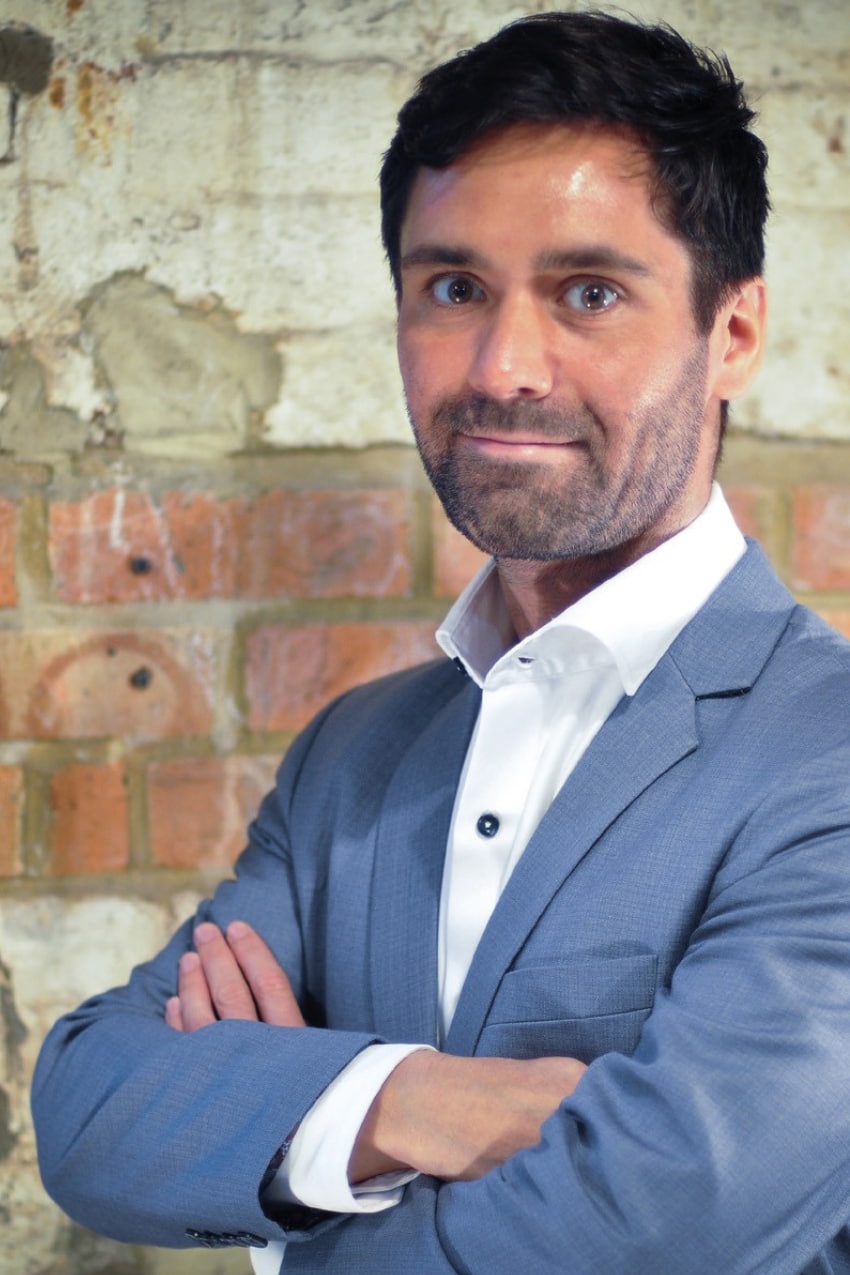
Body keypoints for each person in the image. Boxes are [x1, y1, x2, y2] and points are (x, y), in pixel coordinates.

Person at [32, 11, 850, 1274]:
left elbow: (668, 1226)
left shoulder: (824, 753)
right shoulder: (355, 755)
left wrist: (289, 1142)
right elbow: (89, 1116)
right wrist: (410, 1101)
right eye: (454, 289)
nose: (504, 366)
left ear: (730, 332)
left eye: (589, 292)